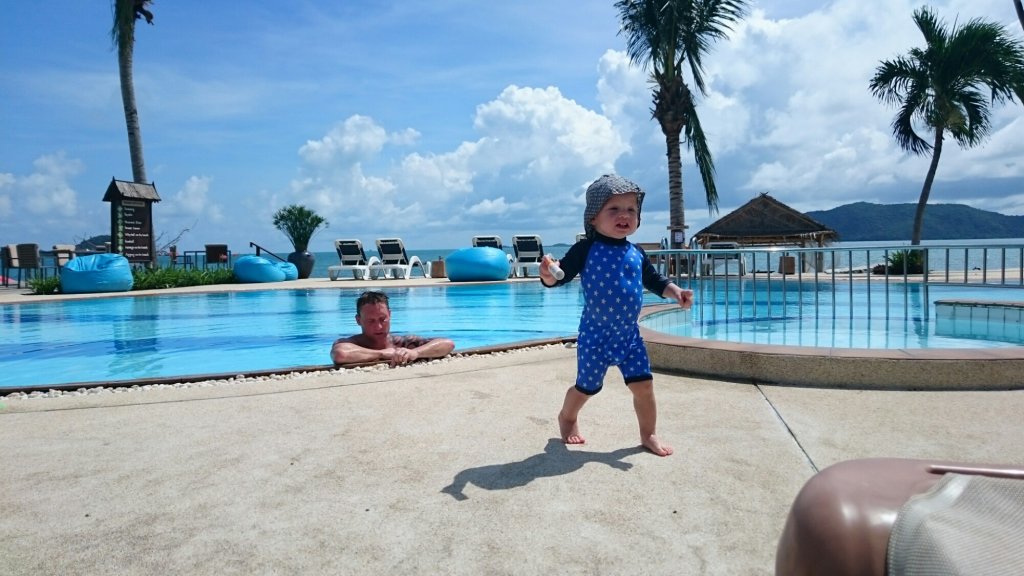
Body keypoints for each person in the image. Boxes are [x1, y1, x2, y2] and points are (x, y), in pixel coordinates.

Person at [540, 174, 694, 457]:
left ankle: (649, 434)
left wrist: (675, 292)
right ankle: (567, 417)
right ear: (593, 218)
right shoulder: (586, 249)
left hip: (629, 336)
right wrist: (548, 276)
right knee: (587, 387)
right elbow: (560, 276)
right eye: (614, 209)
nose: (625, 215)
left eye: (631, 210)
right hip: (595, 336)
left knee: (644, 386)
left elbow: (654, 280)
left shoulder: (636, 252)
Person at [331, 291, 455, 366]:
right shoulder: (352, 343)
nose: (379, 327)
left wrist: (415, 352)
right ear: (358, 320)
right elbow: (340, 354)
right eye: (371, 321)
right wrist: (382, 353)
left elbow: (447, 343)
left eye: (382, 319)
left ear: (389, 315)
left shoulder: (401, 343)